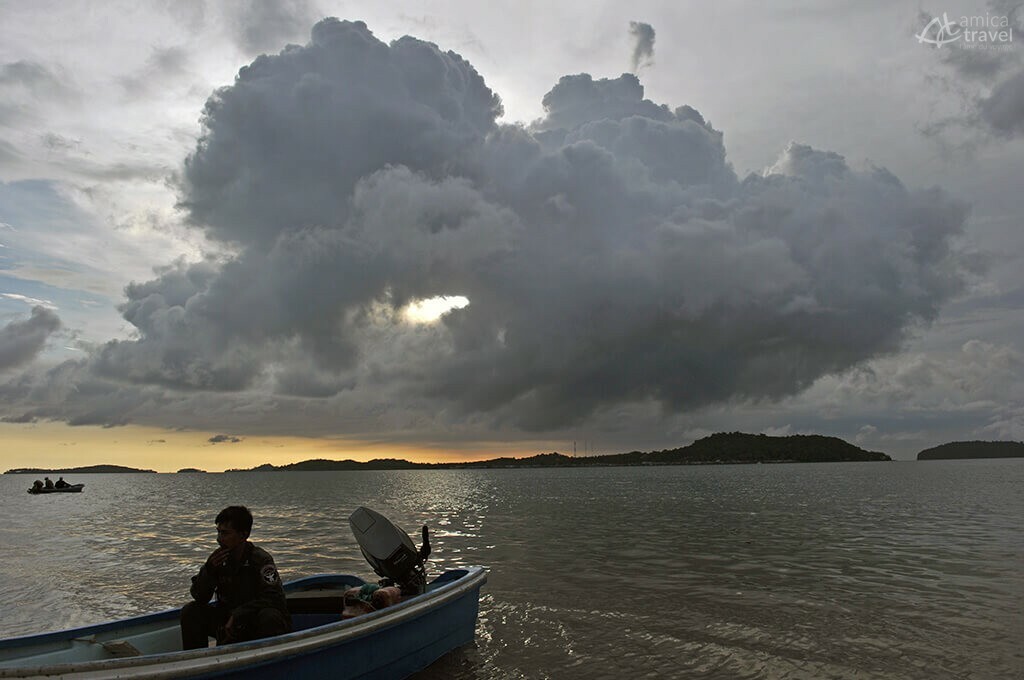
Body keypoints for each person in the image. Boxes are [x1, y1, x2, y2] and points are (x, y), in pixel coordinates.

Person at [180, 506, 292, 650]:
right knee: (191, 611)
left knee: (270, 617)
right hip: (229, 623)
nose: (219, 539)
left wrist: (238, 614)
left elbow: (275, 599)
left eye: (225, 533)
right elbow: (199, 596)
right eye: (218, 532)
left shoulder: (260, 560)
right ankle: (195, 662)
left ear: (243, 535)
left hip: (253, 622)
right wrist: (209, 571)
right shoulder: (218, 560)